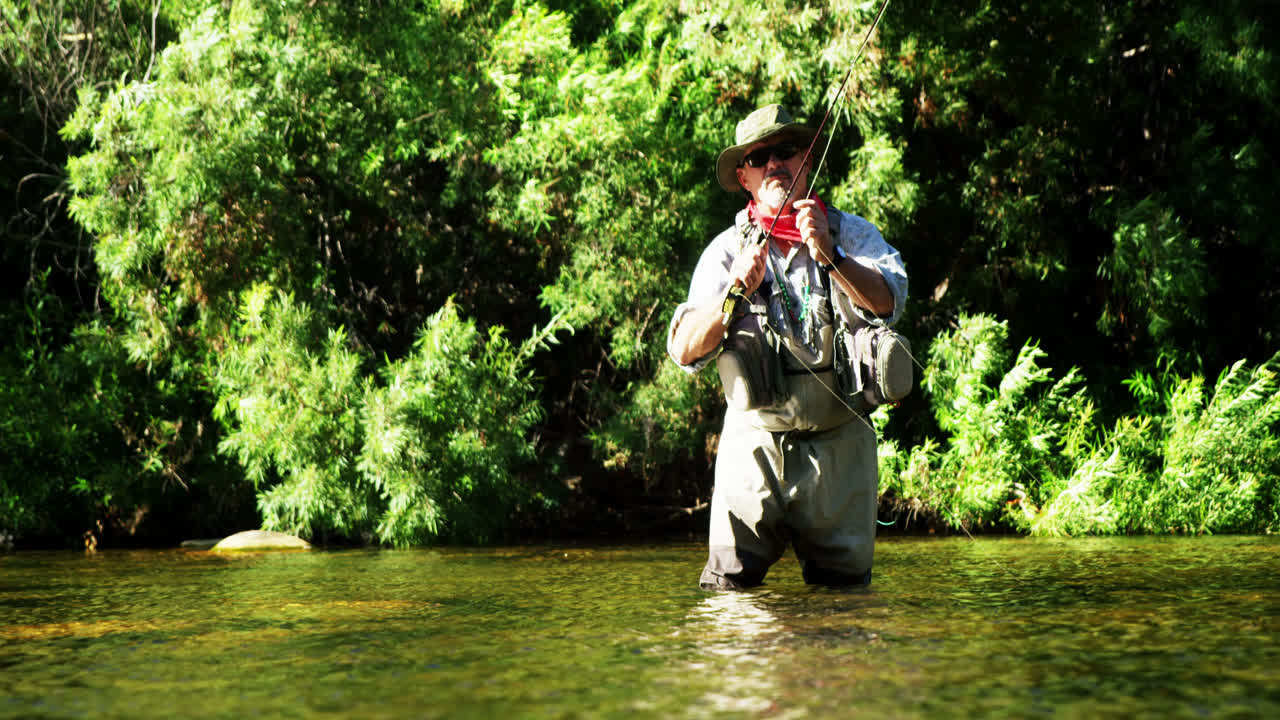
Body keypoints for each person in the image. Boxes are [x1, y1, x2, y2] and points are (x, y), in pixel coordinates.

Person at [667, 104, 908, 590]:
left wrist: (833, 257)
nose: (774, 164)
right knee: (730, 603)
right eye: (759, 158)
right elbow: (685, 350)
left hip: (841, 448)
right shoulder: (724, 251)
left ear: (808, 157)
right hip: (753, 446)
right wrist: (733, 293)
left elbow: (889, 301)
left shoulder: (853, 235)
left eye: (786, 151)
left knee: (843, 610)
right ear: (744, 177)